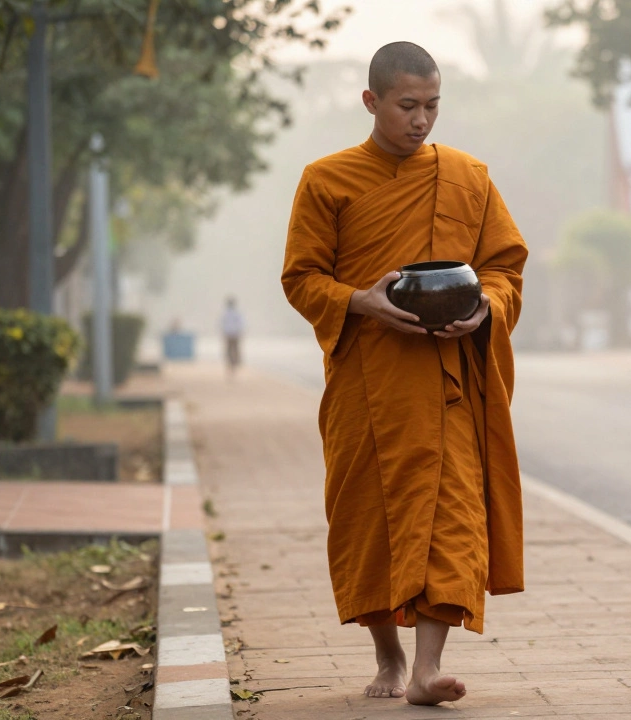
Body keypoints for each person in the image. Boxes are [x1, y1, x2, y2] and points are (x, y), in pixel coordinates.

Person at [280, 41, 528, 706]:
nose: (422, 120)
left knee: (451, 517)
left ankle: (425, 671)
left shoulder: (468, 177)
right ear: (372, 102)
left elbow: (504, 266)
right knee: (372, 520)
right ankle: (388, 656)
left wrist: (485, 310)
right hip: (368, 380)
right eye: (408, 106)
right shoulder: (326, 179)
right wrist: (361, 301)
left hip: (448, 381)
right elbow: (301, 277)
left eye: (433, 105)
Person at [220, 297, 244, 377]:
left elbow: (222, 324)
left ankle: (231, 364)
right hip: (234, 334)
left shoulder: (225, 313)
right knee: (234, 350)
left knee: (230, 350)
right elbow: (241, 324)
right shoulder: (236, 313)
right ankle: (233, 364)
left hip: (229, 334)